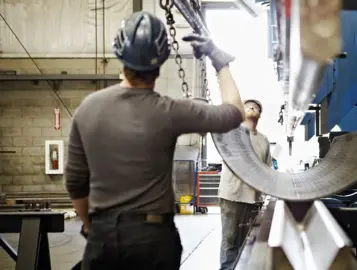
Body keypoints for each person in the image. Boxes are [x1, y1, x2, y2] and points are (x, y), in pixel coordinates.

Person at [65, 11, 245, 270]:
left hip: (103, 235)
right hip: (153, 240)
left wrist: (92, 226)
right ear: (160, 63)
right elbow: (235, 112)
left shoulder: (89, 108)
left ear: (119, 56)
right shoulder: (170, 111)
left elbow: (75, 182)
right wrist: (219, 59)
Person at [217, 99, 272, 270]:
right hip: (232, 194)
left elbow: (267, 169)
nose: (252, 107)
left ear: (260, 115)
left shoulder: (263, 140)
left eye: (256, 107)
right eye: (248, 106)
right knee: (230, 240)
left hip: (254, 198)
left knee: (246, 242)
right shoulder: (231, 134)